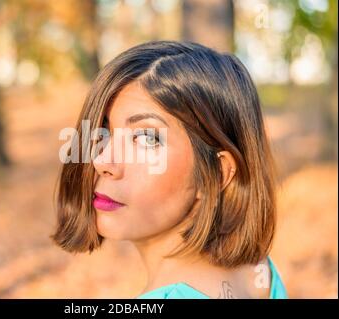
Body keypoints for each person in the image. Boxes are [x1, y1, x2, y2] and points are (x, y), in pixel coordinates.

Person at [51, 40, 288, 299]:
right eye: (103, 131)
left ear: (217, 173)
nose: (103, 161)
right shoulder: (259, 272)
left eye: (146, 138)